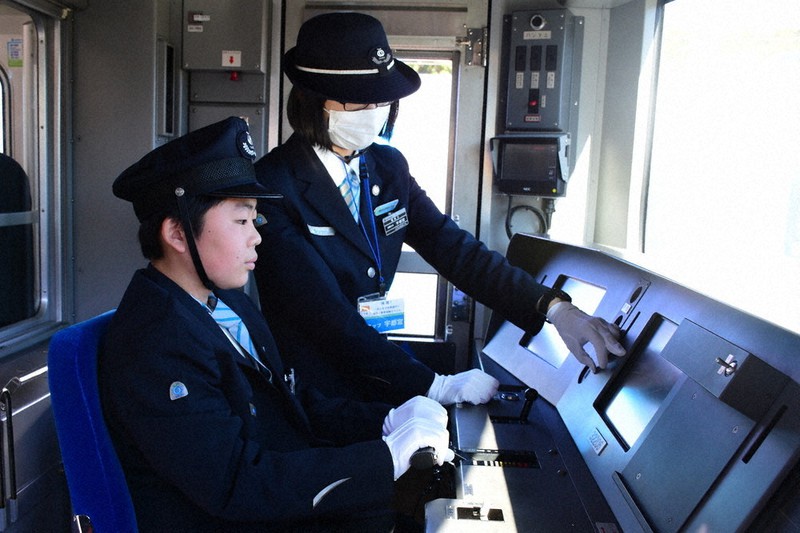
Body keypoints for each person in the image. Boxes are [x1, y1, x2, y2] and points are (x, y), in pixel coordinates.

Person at [253, 12, 626, 407]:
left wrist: (553, 308)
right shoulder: (273, 187)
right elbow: (325, 319)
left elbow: (454, 249)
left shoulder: (387, 166)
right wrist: (435, 386)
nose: (375, 109)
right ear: (314, 99)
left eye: (382, 97)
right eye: (360, 98)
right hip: (316, 392)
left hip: (381, 371)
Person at [99, 116, 454, 532]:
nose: (257, 237)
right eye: (241, 220)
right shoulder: (155, 342)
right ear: (178, 234)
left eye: (255, 220)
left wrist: (385, 419)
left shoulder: (227, 303)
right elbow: (236, 484)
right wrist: (384, 458)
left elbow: (292, 402)